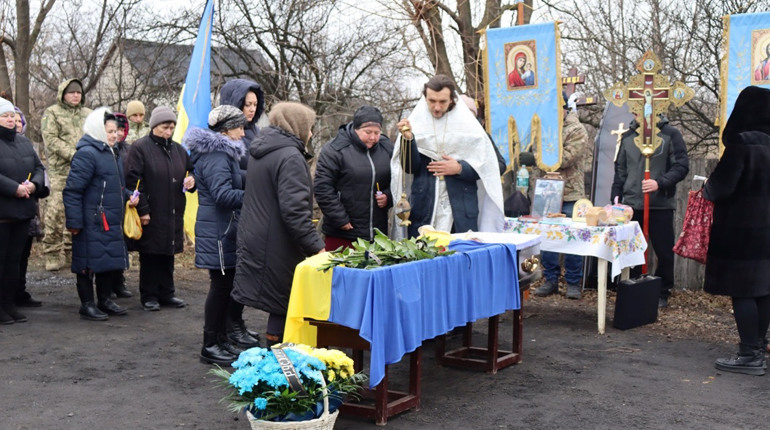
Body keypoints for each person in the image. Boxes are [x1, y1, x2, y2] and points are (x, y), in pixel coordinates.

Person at [232, 102, 325, 346]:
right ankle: (281, 360)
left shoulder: (263, 150)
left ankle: (276, 357)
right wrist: (316, 246)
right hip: (277, 241)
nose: (311, 133)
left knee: (277, 301)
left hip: (259, 234)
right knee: (283, 302)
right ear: (297, 126)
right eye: (309, 127)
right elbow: (294, 211)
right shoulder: (290, 156)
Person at [702, 86, 770, 375]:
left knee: (742, 291)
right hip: (767, 232)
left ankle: (749, 354)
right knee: (764, 290)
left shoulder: (741, 144)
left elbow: (719, 187)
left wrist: (706, 186)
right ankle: (759, 344)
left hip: (741, 233)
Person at [185, 105, 259, 365]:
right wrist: (255, 197)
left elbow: (233, 177)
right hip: (218, 230)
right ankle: (210, 345)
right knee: (220, 287)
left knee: (226, 286)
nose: (243, 131)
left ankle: (222, 338)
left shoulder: (220, 152)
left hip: (222, 228)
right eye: (239, 126)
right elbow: (222, 194)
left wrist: (258, 178)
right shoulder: (216, 154)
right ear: (226, 129)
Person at [391, 74, 505, 238]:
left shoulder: (471, 129)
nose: (436, 107)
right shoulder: (416, 125)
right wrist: (408, 140)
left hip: (460, 213)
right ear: (425, 99)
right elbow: (410, 167)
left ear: (452, 99)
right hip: (424, 211)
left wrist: (460, 168)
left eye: (442, 102)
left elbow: (497, 165)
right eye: (432, 101)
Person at [63, 108, 138, 320]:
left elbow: (116, 186)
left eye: (116, 131)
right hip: (90, 220)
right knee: (87, 263)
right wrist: (75, 222)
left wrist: (130, 196)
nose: (115, 135)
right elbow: (73, 191)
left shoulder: (110, 153)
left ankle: (104, 300)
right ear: (98, 130)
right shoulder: (87, 154)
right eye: (110, 131)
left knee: (107, 261)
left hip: (110, 218)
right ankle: (87, 304)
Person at [611, 112, 689, 308]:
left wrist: (659, 183)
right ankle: (634, 286)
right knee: (632, 250)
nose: (640, 113)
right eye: (635, 109)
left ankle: (662, 291)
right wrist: (616, 197)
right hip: (630, 205)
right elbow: (620, 169)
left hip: (659, 204)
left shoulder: (670, 134)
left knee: (663, 251)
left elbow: (681, 165)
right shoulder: (628, 137)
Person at [125, 106, 195, 311]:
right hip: (151, 210)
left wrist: (193, 180)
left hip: (173, 209)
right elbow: (133, 181)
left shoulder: (179, 150)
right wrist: (143, 209)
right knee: (150, 253)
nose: (169, 132)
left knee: (168, 252)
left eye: (172, 127)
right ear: (155, 126)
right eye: (165, 127)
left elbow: (192, 170)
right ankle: (149, 294)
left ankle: (167, 292)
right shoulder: (140, 148)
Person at [217, 78, 265, 347]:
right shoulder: (225, 136)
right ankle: (228, 325)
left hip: (249, 210)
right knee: (229, 278)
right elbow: (232, 173)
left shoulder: (255, 131)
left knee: (244, 274)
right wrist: (261, 176)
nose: (250, 109)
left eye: (255, 104)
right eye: (246, 104)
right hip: (232, 213)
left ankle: (236, 321)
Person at [314, 105, 394, 249]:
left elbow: (398, 180)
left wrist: (388, 196)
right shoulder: (334, 149)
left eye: (377, 133)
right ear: (355, 129)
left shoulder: (386, 147)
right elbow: (322, 187)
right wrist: (340, 219)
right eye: (368, 132)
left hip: (377, 234)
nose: (373, 137)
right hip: (344, 233)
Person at [534, 94, 589, 300]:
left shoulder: (577, 130)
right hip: (548, 190)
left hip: (571, 193)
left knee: (572, 238)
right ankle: (550, 280)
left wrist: (536, 157)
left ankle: (573, 282)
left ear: (564, 109)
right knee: (548, 238)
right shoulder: (542, 128)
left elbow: (566, 158)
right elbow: (533, 147)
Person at [0, 97, 46, 324]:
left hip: (22, 212)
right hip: (2, 214)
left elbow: (38, 167)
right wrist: (14, 188)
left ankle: (9, 304)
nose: (10, 120)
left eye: (12, 116)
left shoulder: (24, 142)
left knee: (14, 262)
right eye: (5, 116)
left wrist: (34, 185)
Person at [40, 78, 92, 271]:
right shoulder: (52, 113)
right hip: (61, 171)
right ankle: (52, 252)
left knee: (81, 212)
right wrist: (74, 155)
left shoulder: (88, 114)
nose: (76, 95)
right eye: (71, 92)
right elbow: (51, 139)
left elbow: (97, 135)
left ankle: (73, 252)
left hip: (85, 171)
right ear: (63, 94)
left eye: (78, 92)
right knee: (56, 212)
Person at [14, 106, 47, 308]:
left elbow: (40, 171)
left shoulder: (28, 146)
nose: (16, 124)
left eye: (19, 121)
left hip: (28, 207)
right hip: (9, 208)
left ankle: (20, 290)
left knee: (24, 253)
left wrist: (35, 185)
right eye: (12, 119)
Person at [109, 112, 134, 299]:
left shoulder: (128, 150)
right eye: (114, 130)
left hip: (124, 200)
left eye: (121, 130)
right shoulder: (105, 148)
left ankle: (119, 281)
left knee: (121, 245)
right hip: (108, 202)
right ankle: (107, 283)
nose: (118, 133)